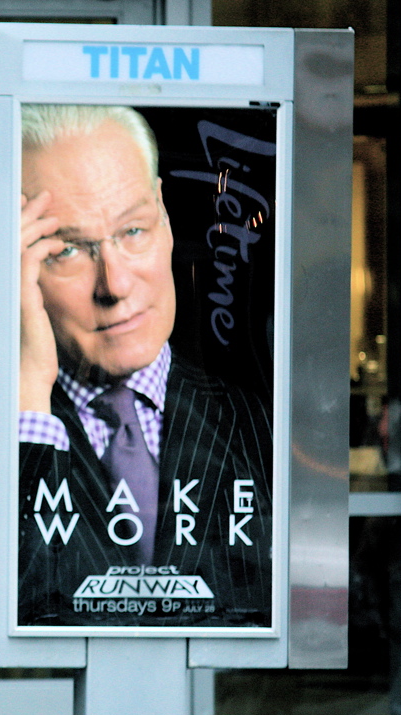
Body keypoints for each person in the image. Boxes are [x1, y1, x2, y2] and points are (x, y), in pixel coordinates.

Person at [17, 104, 273, 629]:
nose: (114, 284)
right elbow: (22, 614)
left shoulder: (255, 419)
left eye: (133, 230)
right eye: (67, 250)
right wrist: (29, 402)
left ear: (165, 217)